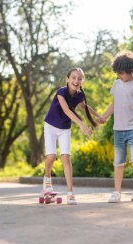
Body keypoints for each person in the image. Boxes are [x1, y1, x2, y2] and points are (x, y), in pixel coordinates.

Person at [43, 67, 102, 205]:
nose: (76, 80)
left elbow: (85, 107)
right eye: (74, 78)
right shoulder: (61, 92)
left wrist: (98, 116)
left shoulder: (80, 95)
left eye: (79, 78)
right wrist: (81, 124)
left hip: (64, 128)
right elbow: (66, 110)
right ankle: (47, 178)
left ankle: (70, 193)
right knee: (51, 157)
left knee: (66, 157)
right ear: (67, 79)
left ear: (82, 81)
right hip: (51, 126)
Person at [101, 51, 133, 204]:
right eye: (117, 73)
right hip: (118, 130)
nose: (119, 76)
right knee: (118, 162)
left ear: (130, 70)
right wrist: (104, 116)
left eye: (121, 73)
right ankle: (116, 192)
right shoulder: (116, 84)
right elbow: (114, 104)